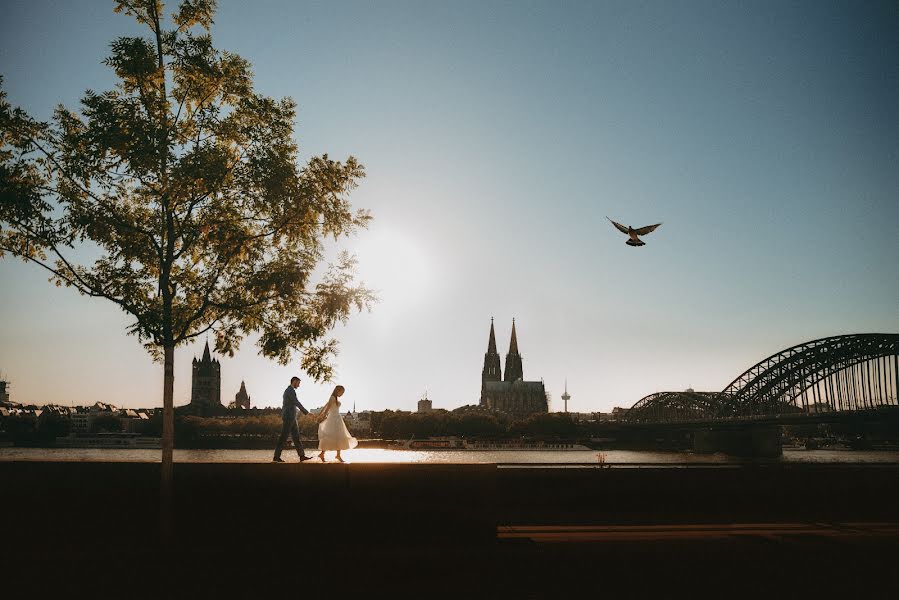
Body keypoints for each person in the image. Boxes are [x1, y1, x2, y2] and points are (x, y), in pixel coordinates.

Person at [273, 376, 313, 463]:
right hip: (288, 417)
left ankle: (302, 456)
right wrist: (306, 412)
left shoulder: (290, 390)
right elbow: (296, 402)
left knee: (296, 438)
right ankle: (276, 457)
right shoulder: (290, 391)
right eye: (298, 383)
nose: (299, 385)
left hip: (292, 417)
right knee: (283, 437)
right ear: (294, 381)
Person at [316, 385, 358, 462]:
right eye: (342, 392)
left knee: (339, 436)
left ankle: (337, 455)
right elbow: (327, 408)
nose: (342, 394)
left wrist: (320, 414)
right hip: (333, 418)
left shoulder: (334, 398)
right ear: (338, 391)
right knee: (331, 436)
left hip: (337, 418)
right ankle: (323, 454)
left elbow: (324, 407)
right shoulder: (332, 398)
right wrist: (322, 417)